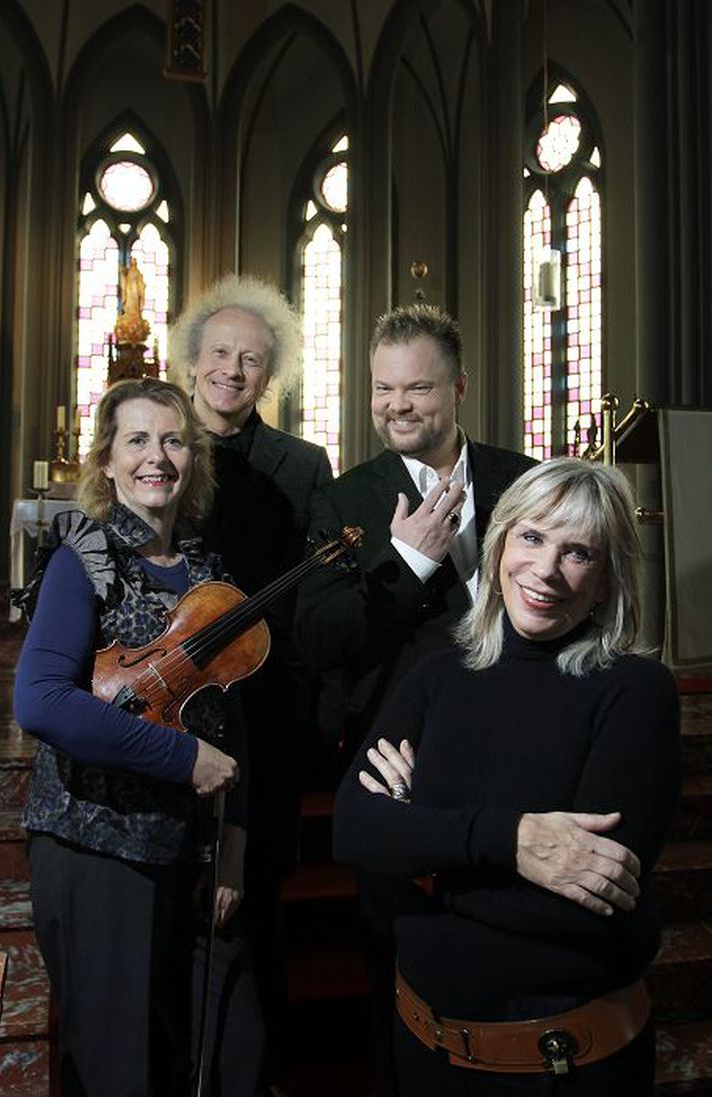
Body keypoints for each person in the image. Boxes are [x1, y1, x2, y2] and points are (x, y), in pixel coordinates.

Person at [333, 457, 682, 1096]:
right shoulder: (440, 674)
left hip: (559, 1066)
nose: (546, 570)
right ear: (499, 546)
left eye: (578, 553)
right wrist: (515, 841)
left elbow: (587, 912)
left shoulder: (635, 691)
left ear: (606, 581)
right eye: (532, 537)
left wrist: (418, 855)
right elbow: (353, 829)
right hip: (422, 1050)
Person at [294, 302, 540, 1093]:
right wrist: (404, 560)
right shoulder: (344, 500)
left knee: (508, 944)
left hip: (517, 750)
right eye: (382, 390)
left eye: (418, 389)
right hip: (398, 762)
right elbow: (320, 638)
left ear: (459, 387)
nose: (396, 406)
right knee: (395, 953)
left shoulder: (524, 480)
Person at [13, 378, 262, 1096]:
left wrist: (234, 852)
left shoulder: (209, 572)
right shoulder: (81, 560)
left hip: (196, 852)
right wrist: (182, 757)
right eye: (138, 439)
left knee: (229, 1054)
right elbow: (42, 701)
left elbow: (231, 717)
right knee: (122, 1070)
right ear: (108, 460)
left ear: (194, 458)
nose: (158, 455)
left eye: (174, 439)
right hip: (99, 852)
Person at [169, 273, 333, 1087]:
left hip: (262, 706)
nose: (235, 370)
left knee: (251, 912)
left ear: (272, 377)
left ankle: (249, 1073)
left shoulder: (300, 464)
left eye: (254, 360)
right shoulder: (157, 444)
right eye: (222, 353)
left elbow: (307, 599)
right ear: (193, 361)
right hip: (164, 704)